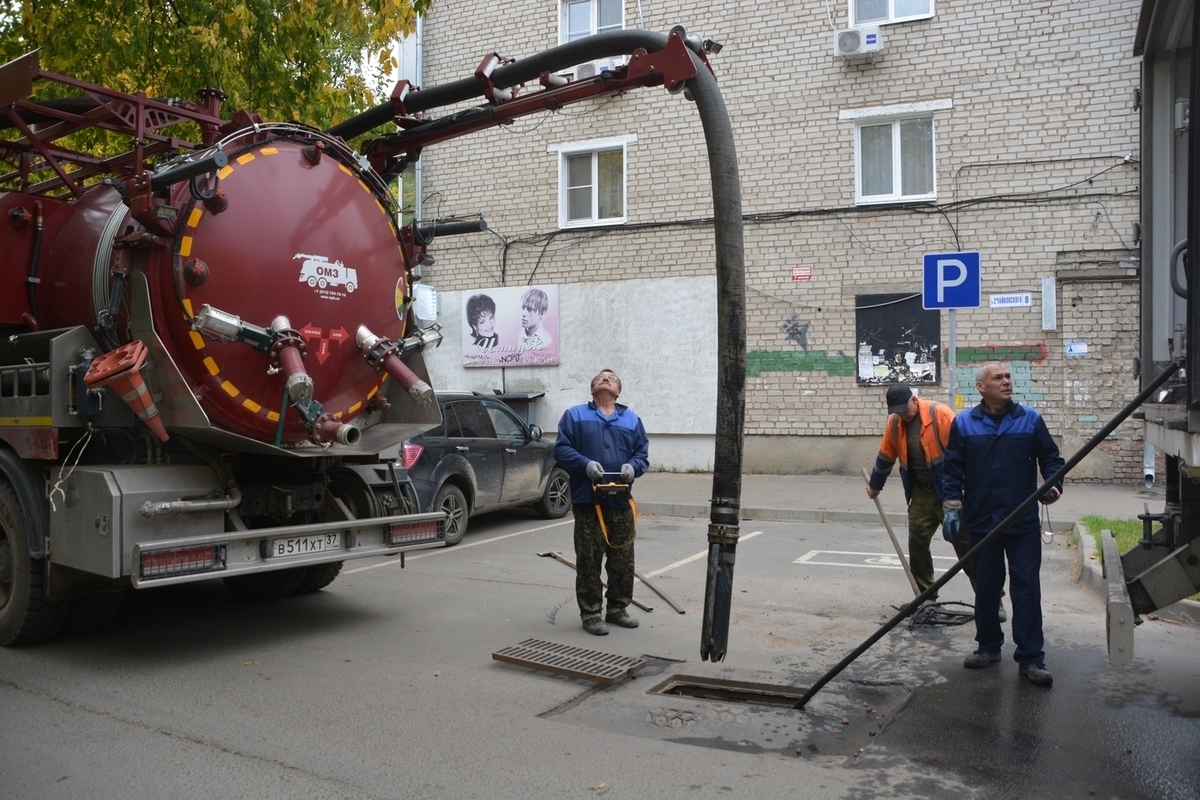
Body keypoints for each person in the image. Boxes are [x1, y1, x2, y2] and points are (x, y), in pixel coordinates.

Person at [941, 362, 1064, 687]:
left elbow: (1051, 459)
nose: (1007, 382)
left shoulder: (1030, 419)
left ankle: (1031, 658)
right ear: (981, 387)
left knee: (1026, 588)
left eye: (1008, 377)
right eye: (999, 378)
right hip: (982, 520)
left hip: (1021, 520)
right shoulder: (965, 424)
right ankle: (988, 647)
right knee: (986, 588)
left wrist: (1053, 485)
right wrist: (952, 507)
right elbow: (952, 469)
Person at [554, 369, 649, 636]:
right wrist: (584, 465)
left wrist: (633, 466)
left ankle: (618, 609)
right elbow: (561, 449)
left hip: (620, 501)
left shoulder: (631, 419)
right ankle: (591, 613)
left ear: (619, 391)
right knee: (589, 559)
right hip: (588, 500)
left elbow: (642, 453)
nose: (605, 379)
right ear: (592, 388)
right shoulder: (575, 415)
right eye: (600, 377)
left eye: (612, 377)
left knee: (622, 559)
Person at [866, 384, 975, 600]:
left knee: (966, 544)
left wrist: (966, 490)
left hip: (951, 491)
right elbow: (886, 456)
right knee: (917, 541)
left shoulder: (940, 414)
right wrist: (875, 485)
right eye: (896, 410)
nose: (902, 414)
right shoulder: (895, 423)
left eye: (904, 409)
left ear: (914, 400)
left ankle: (990, 597)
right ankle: (926, 597)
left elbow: (966, 454)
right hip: (923, 492)